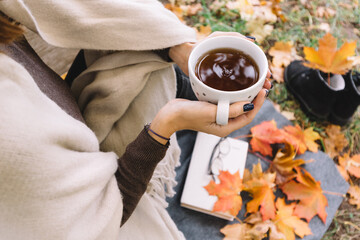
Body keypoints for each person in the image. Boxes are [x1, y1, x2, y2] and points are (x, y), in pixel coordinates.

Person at [0, 2, 271, 240]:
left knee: (138, 50)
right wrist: (166, 124)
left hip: (56, 108)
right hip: (74, 192)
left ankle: (187, 89)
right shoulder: (11, 130)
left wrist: (177, 46)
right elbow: (98, 216)